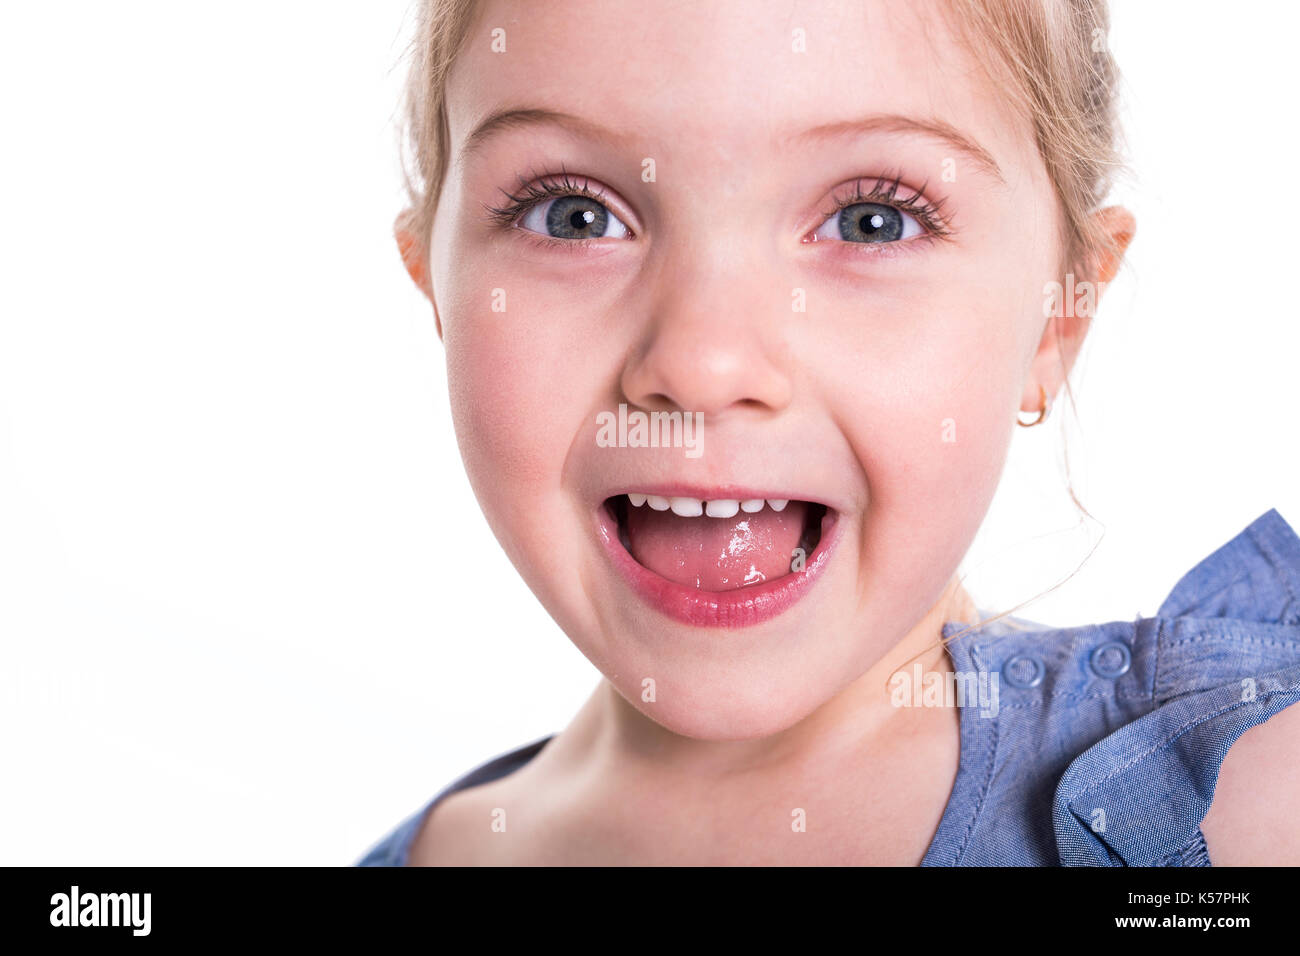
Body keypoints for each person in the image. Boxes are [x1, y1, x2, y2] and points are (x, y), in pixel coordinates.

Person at [358, 0, 1300, 865]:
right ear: (436, 288)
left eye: (872, 219)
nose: (703, 362)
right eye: (574, 214)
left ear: (1057, 320)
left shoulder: (1243, 799)